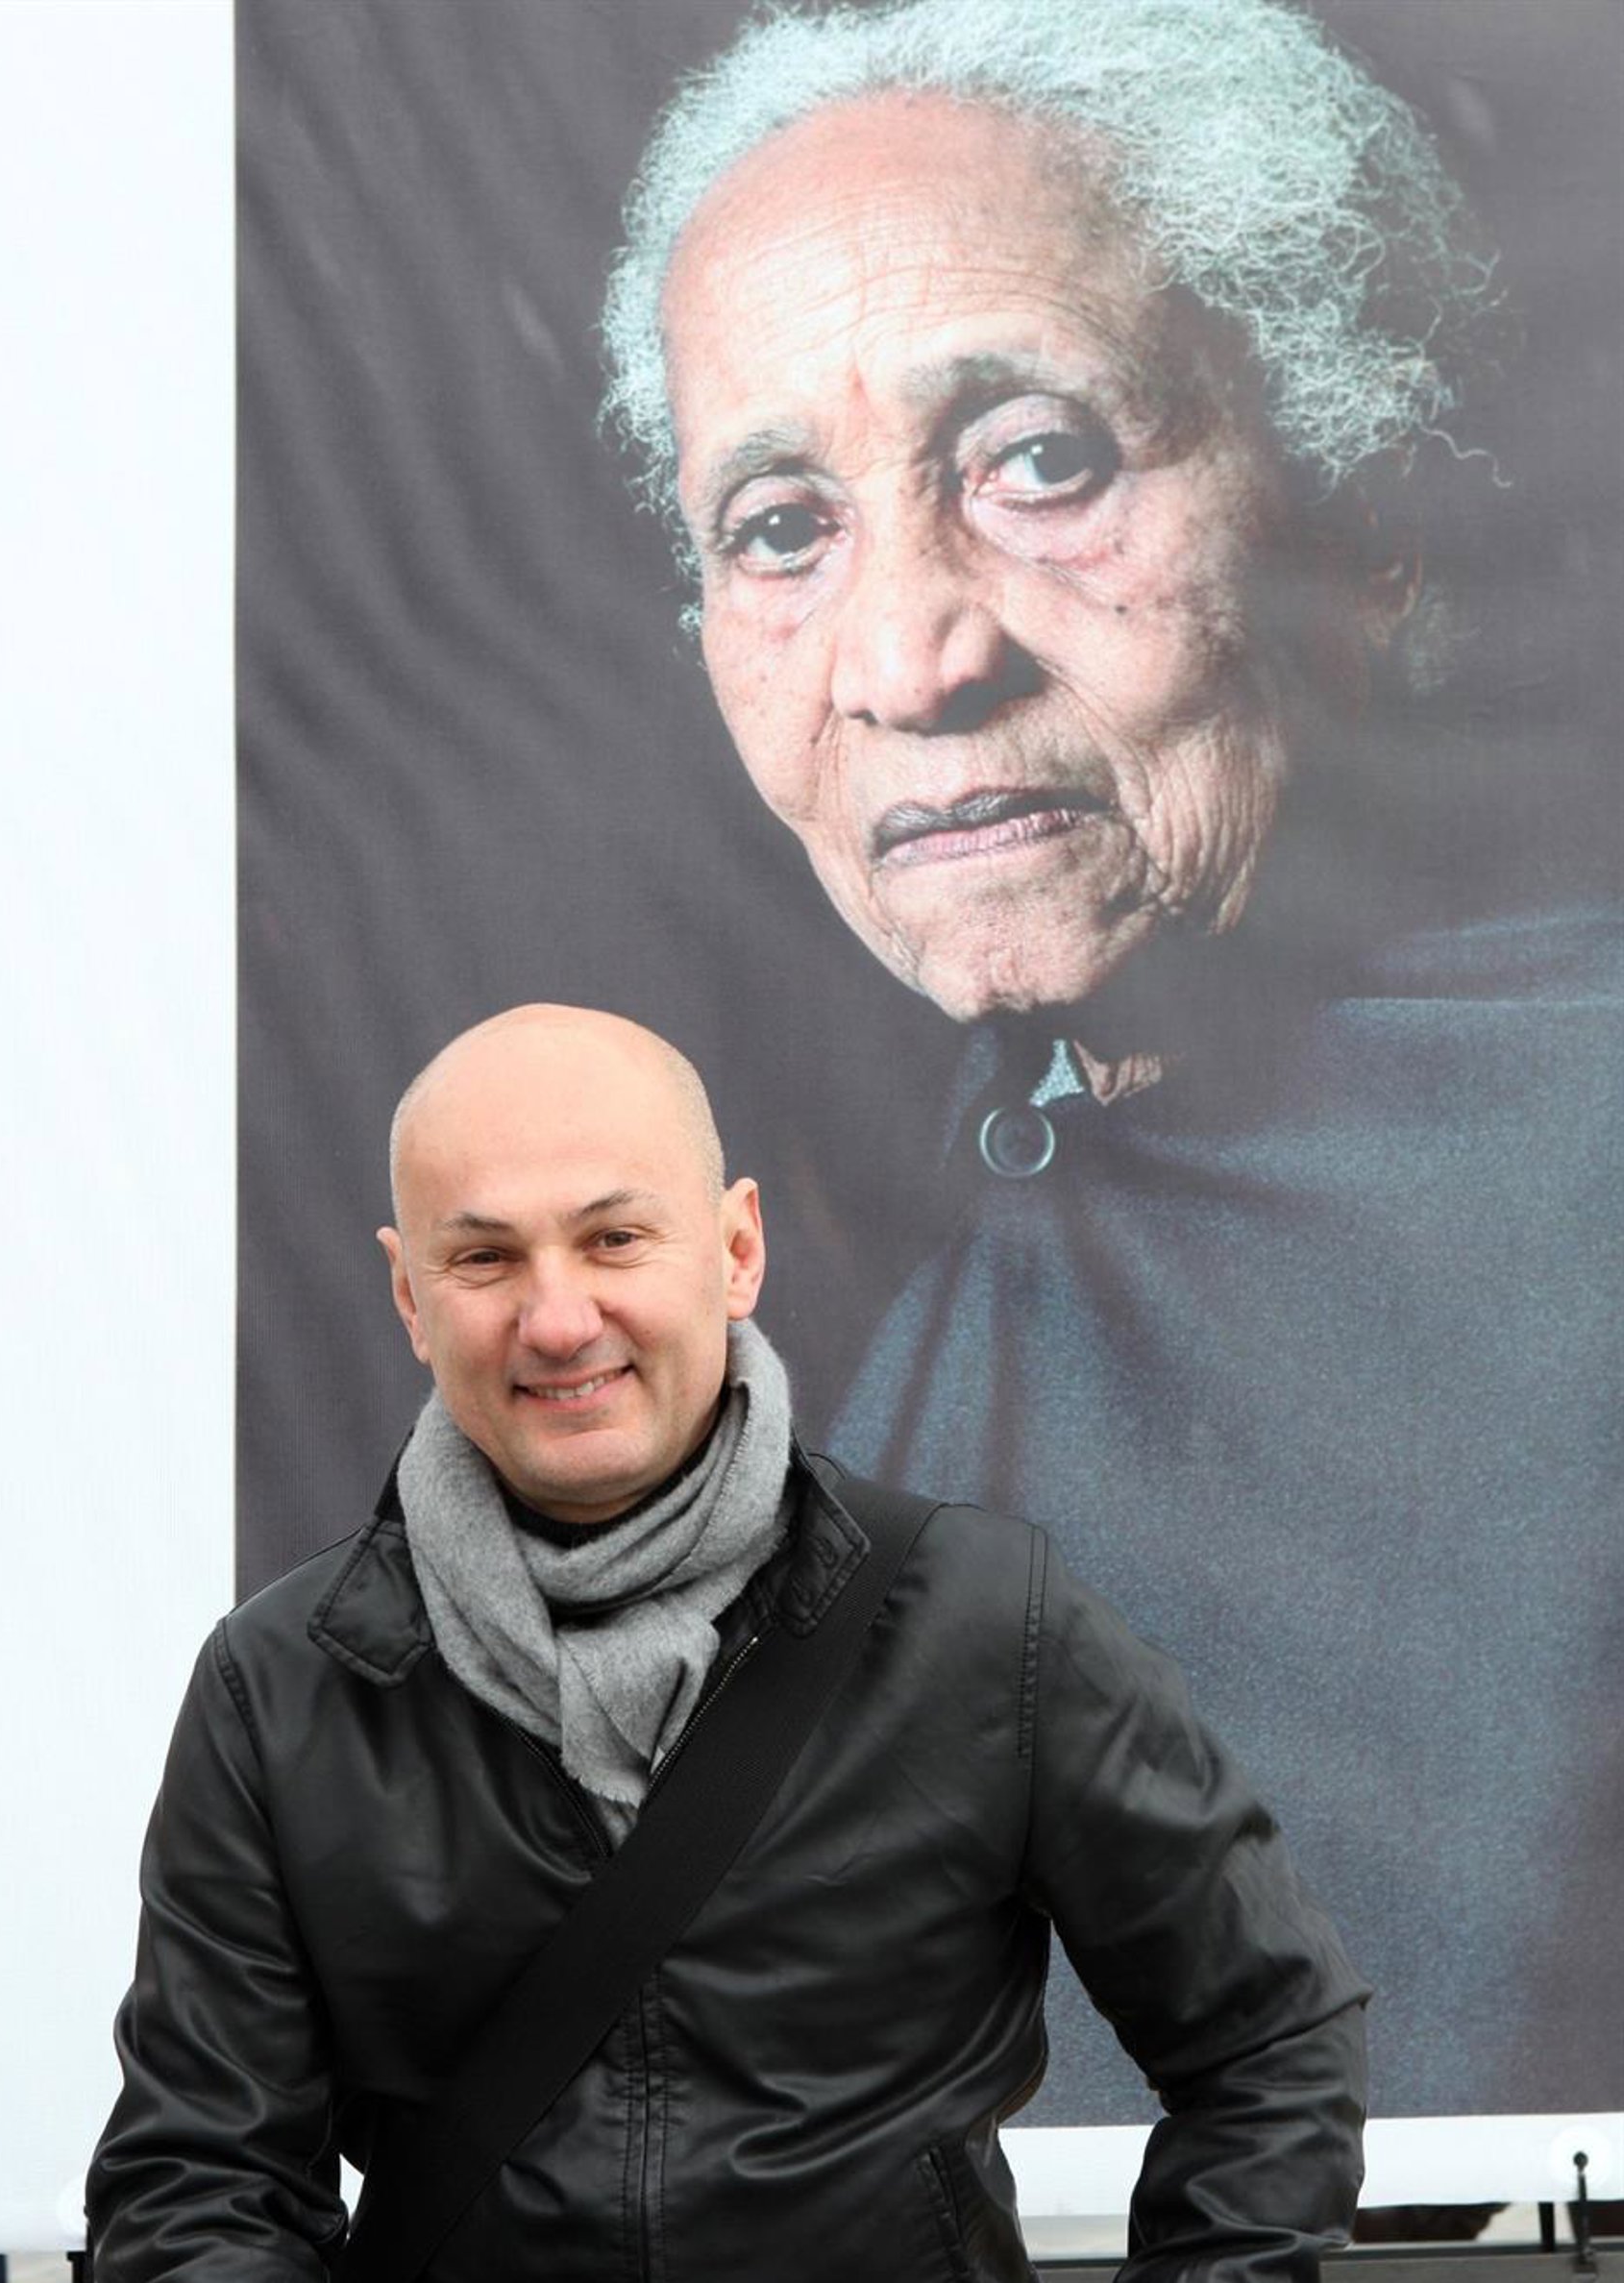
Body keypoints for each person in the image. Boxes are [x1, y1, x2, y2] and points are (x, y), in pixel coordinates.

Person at [88, 1003, 1366, 2283]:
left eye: (615, 1237)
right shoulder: (283, 1681)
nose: (558, 1315)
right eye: (485, 1257)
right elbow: (192, 2186)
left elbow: (1272, 2030)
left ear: (737, 1245)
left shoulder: (985, 1625)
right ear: (407, 1293)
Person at [599, 0, 1622, 2124]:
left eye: (1040, 460)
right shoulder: (839, 1265)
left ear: (1367, 532)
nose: (911, 659)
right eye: (781, 526)